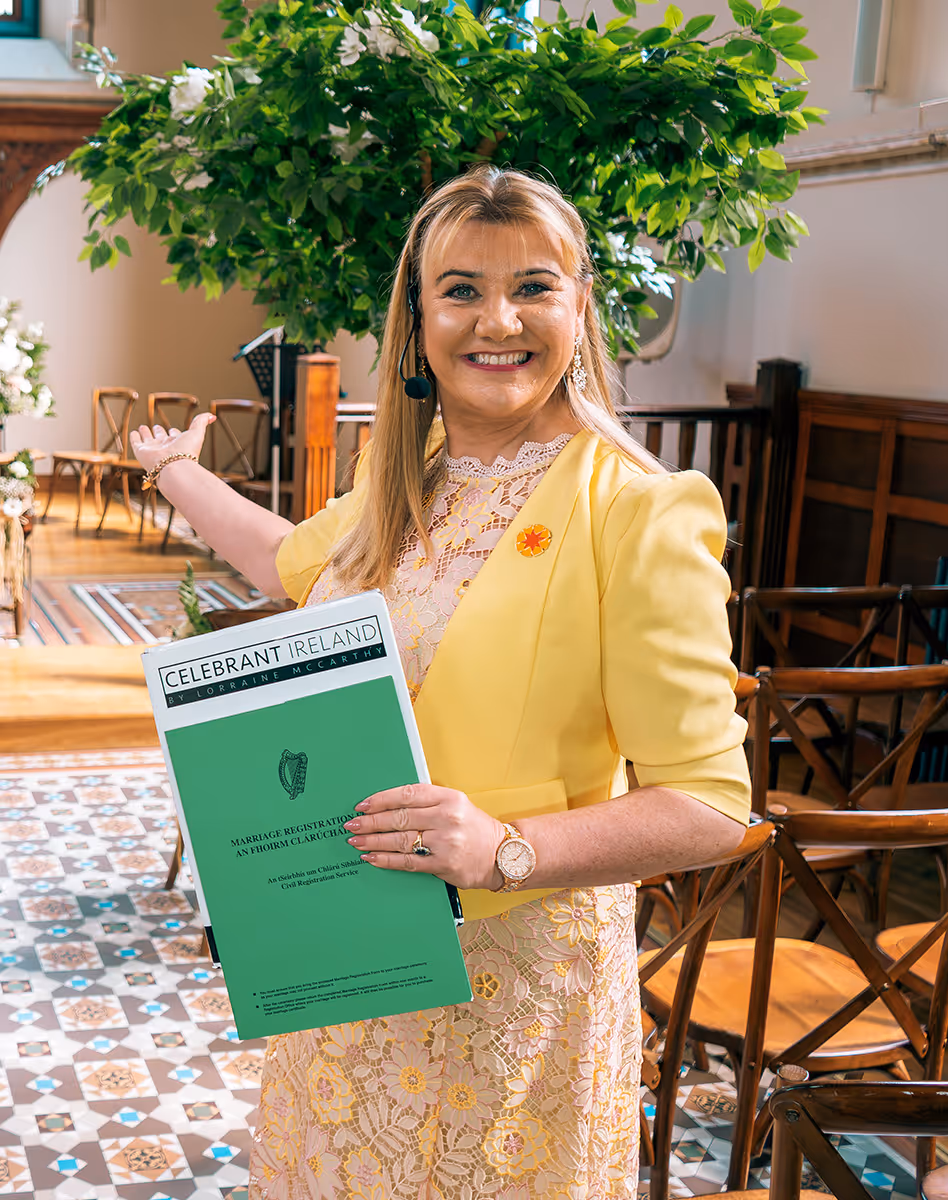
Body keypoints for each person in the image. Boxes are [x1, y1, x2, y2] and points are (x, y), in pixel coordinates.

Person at [131, 166, 751, 1199]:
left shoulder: (640, 507)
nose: (496, 320)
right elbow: (292, 557)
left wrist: (508, 849)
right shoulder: (404, 471)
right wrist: (175, 473)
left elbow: (712, 804)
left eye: (534, 287)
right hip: (345, 973)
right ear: (417, 319)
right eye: (461, 289)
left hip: (507, 1003)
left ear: (580, 304)